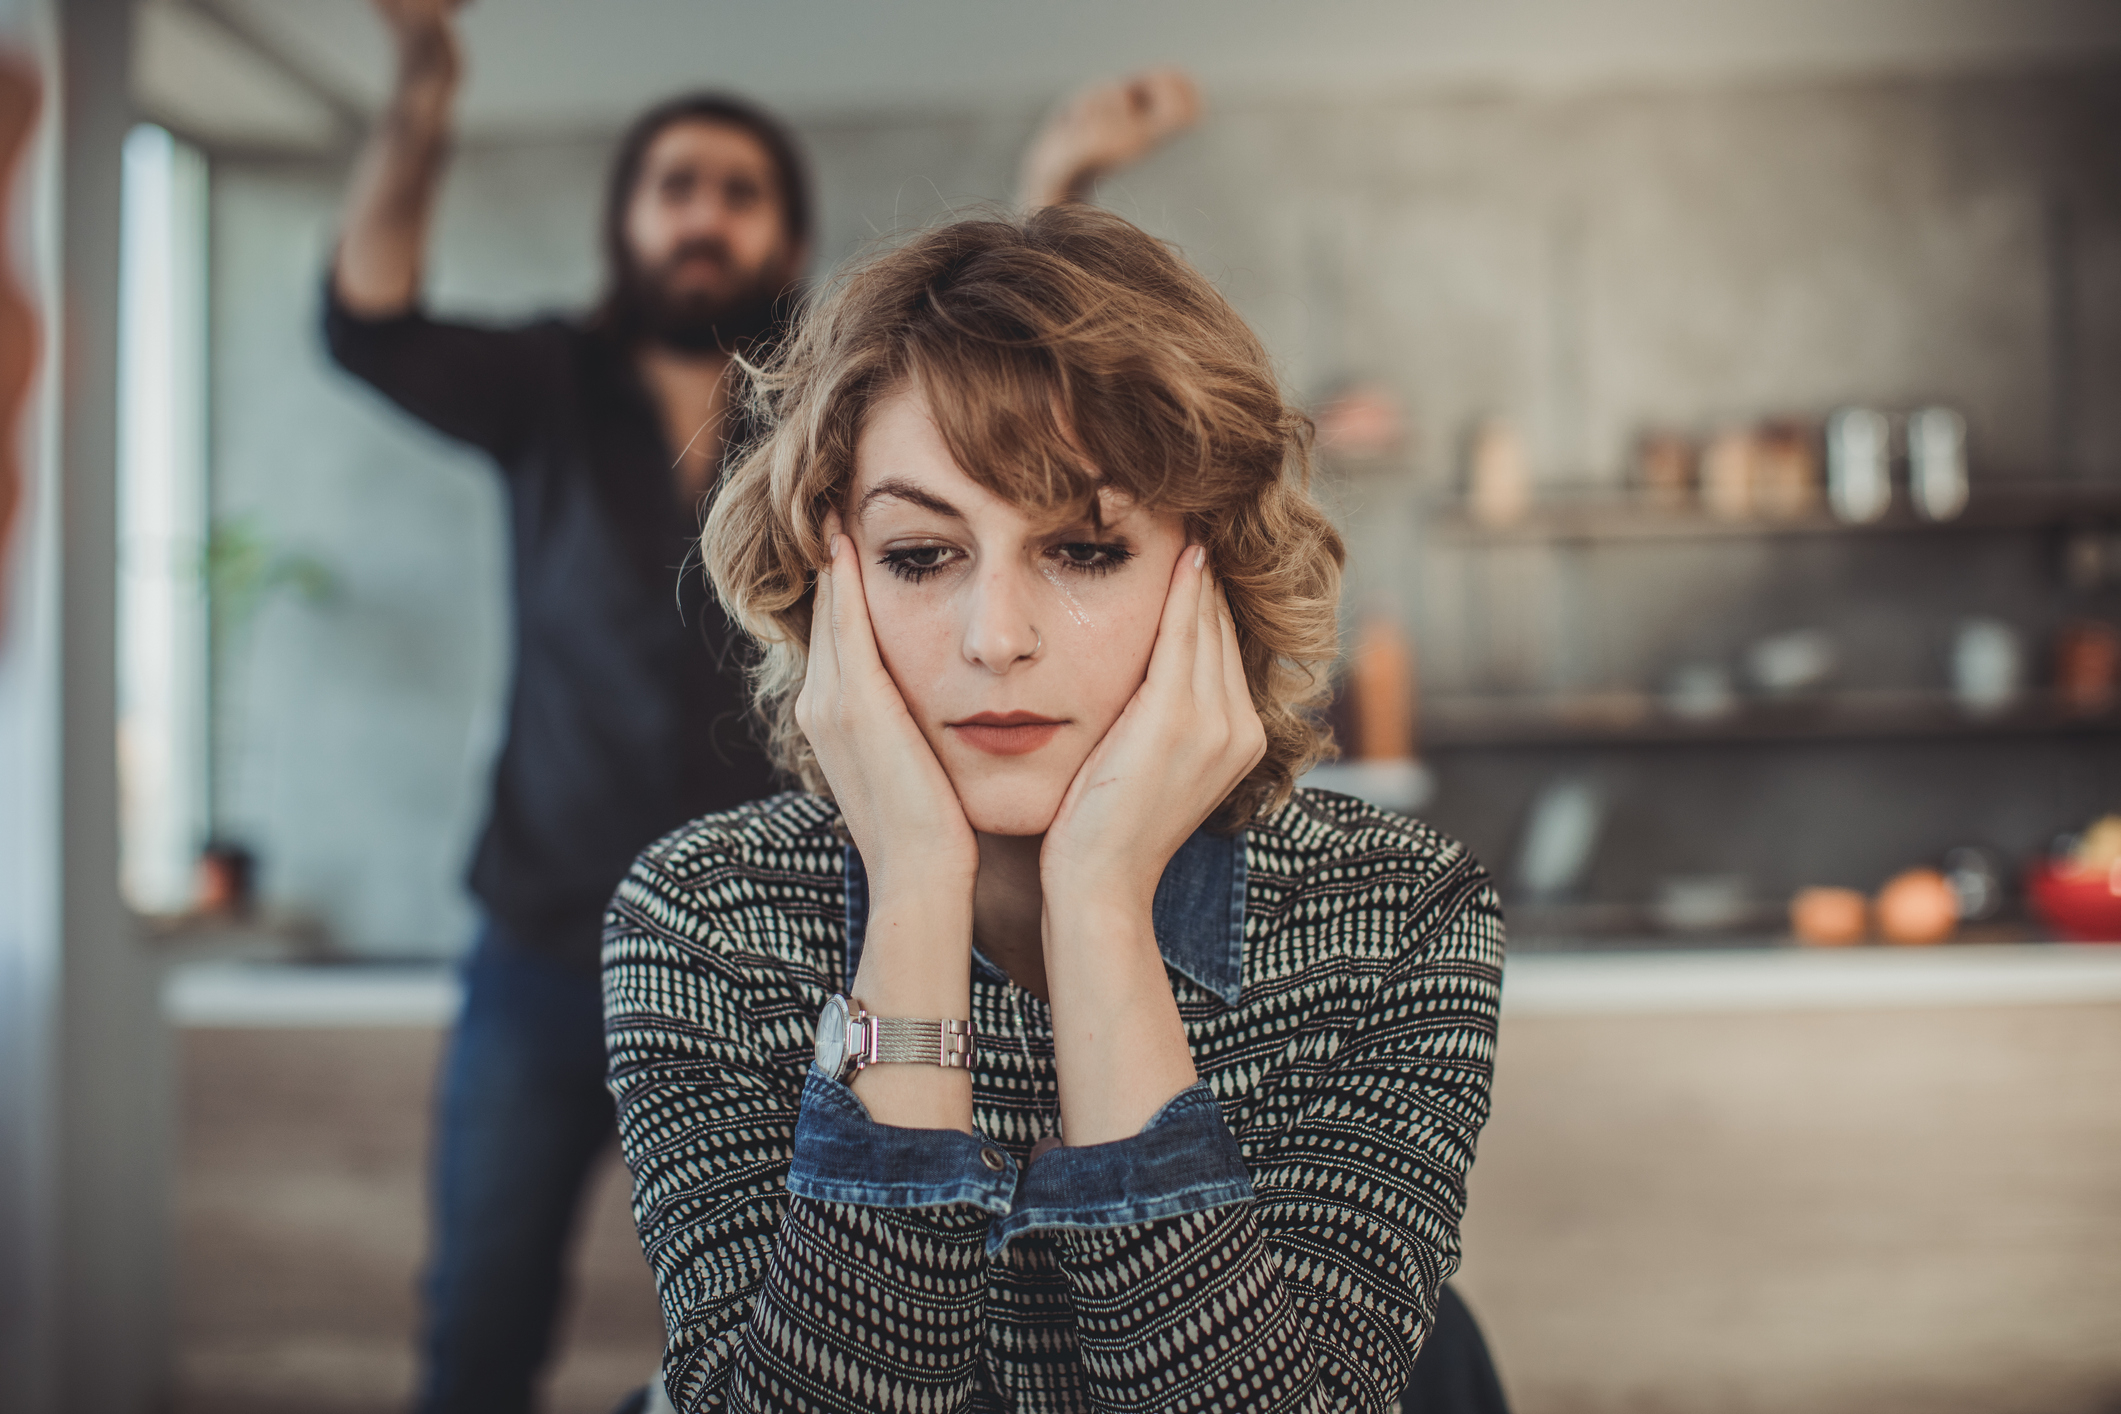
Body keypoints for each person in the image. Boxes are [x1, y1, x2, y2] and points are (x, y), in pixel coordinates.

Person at [324, 2, 1203, 1409]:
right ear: (629, 222)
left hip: (787, 942)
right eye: (676, 185)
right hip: (542, 942)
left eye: (739, 191)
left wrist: (1060, 167)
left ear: (785, 238)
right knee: (478, 1313)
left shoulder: (829, 412)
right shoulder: (549, 385)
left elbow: (992, 365)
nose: (704, 214)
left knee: (814, 1313)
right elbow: (365, 322)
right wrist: (425, 82)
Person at [603, 203, 1506, 1412]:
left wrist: (1099, 909)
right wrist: (919, 889)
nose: (997, 639)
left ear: (1219, 572)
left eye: (1085, 549)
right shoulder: (702, 916)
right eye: (922, 555)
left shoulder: (1397, 913)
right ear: (835, 583)